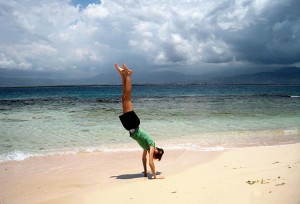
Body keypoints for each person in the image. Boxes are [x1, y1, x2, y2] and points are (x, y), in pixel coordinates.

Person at [115, 63, 164, 179]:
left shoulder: (146, 148)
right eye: (155, 156)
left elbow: (144, 159)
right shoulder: (152, 145)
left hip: (130, 127)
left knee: (124, 98)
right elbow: (150, 161)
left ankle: (123, 75)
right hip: (133, 124)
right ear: (157, 152)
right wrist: (155, 177)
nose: (153, 157)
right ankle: (128, 75)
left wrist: (145, 172)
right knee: (127, 98)